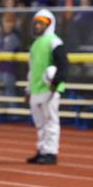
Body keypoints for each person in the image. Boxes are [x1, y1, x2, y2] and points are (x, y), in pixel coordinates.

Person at [25, 9, 68, 165]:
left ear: (49, 24)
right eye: (36, 22)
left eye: (42, 22)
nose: (38, 25)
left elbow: (63, 64)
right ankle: (43, 149)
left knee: (51, 121)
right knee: (40, 123)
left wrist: (56, 83)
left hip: (49, 89)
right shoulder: (35, 44)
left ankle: (51, 152)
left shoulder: (54, 41)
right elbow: (32, 69)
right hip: (36, 89)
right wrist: (28, 89)